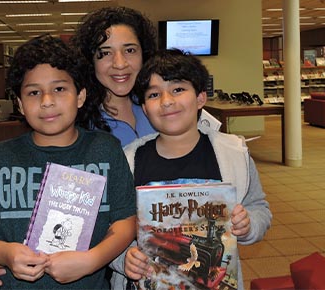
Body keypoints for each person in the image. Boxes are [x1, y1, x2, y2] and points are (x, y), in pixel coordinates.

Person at [0, 35, 137, 289]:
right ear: (19, 103)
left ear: (81, 96)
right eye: (33, 92)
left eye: (59, 89)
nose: (47, 101)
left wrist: (92, 260)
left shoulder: (106, 150)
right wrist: (1, 252)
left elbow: (125, 220)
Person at [114, 49, 272, 287]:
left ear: (200, 98)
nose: (167, 101)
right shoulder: (128, 160)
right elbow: (110, 229)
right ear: (145, 108)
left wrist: (248, 224)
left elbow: (259, 208)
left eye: (178, 89)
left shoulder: (233, 154)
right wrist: (123, 259)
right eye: (154, 94)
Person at [71, 7, 219, 146]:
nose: (120, 64)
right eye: (105, 53)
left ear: (144, 54)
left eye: (129, 50)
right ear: (91, 61)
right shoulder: (77, 120)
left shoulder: (162, 104)